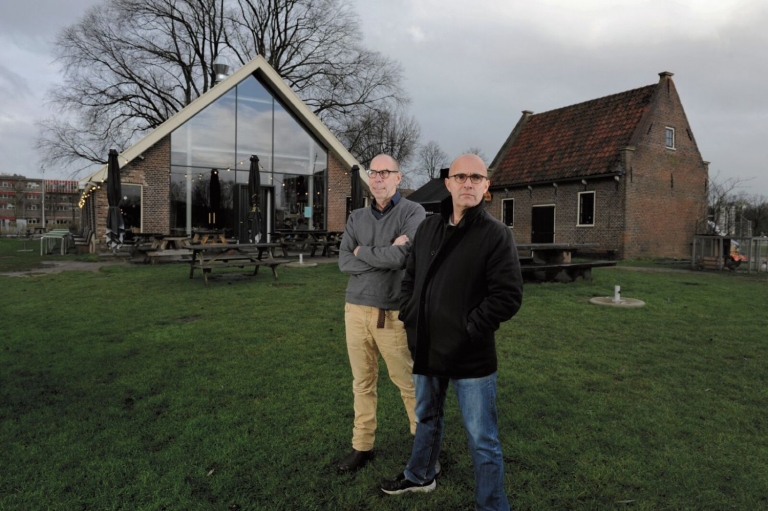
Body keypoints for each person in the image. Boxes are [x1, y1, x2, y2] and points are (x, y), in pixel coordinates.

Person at [380, 154, 524, 510]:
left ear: (487, 187)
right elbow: (410, 277)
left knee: (482, 437)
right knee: (426, 417)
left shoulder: (496, 235)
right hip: (427, 346)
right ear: (448, 182)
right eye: (461, 177)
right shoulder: (428, 227)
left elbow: (507, 296)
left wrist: (468, 328)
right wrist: (411, 314)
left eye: (477, 178)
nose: (468, 184)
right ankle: (420, 476)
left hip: (470, 353)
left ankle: (491, 504)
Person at [337, 154, 427, 473]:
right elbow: (343, 261)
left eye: (384, 172)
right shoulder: (356, 217)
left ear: (398, 178)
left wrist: (364, 251)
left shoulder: (413, 212)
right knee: (362, 383)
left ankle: (425, 449)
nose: (377, 178)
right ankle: (362, 447)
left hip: (391, 313)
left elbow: (405, 256)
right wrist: (384, 252)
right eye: (373, 173)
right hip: (355, 309)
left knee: (407, 383)